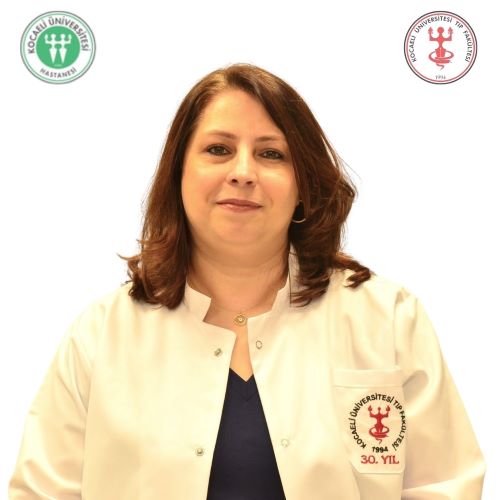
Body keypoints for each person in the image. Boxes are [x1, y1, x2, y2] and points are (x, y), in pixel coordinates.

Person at [8, 63, 485, 500]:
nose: (242, 173)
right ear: (178, 174)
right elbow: (43, 493)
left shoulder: (388, 321)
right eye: (218, 149)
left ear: (303, 186)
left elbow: (445, 486)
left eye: (271, 154)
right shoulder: (100, 336)